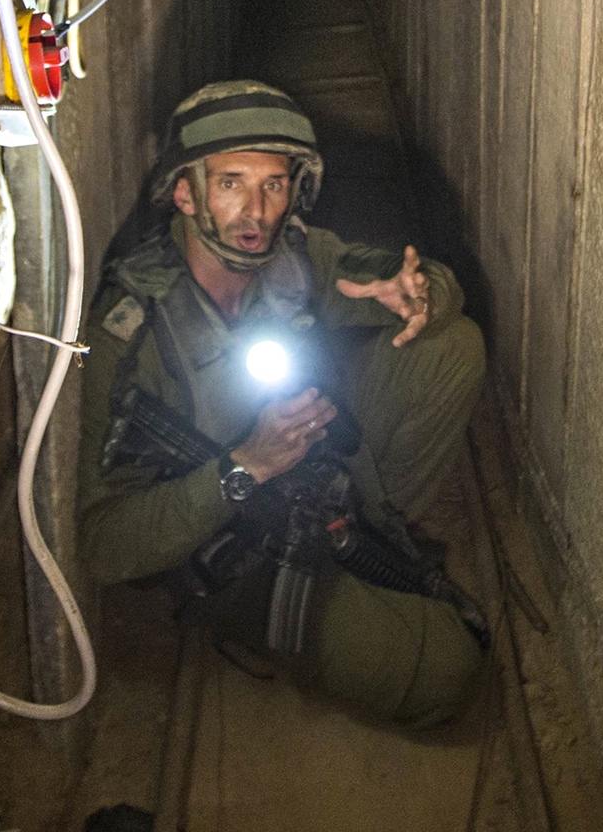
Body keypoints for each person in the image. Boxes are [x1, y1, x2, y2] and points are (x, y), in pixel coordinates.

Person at [77, 80, 488, 729]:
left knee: (452, 348)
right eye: (231, 183)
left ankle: (372, 532)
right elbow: (100, 544)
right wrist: (243, 467)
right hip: (232, 543)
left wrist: (419, 293)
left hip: (313, 475)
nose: (256, 211)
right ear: (185, 193)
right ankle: (286, 618)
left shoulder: (290, 257)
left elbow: (421, 285)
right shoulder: (132, 336)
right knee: (445, 667)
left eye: (273, 185)